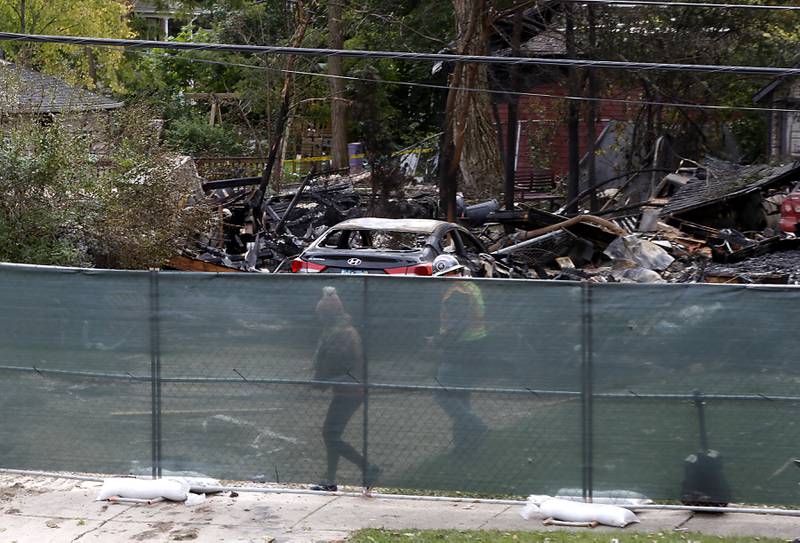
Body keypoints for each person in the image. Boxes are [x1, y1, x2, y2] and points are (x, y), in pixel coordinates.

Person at [310, 286, 380, 491]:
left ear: (327, 314)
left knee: (330, 434)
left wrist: (321, 379)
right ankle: (330, 479)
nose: (319, 317)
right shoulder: (337, 330)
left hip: (351, 391)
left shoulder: (342, 334)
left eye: (321, 314)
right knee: (331, 434)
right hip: (345, 389)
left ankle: (367, 467)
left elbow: (336, 363)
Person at [430, 254, 489, 450]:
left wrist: (438, 341)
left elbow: (458, 325)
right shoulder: (470, 287)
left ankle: (477, 426)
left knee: (441, 393)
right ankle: (465, 445)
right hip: (476, 347)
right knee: (462, 395)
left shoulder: (455, 293)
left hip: (459, 350)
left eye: (441, 276)